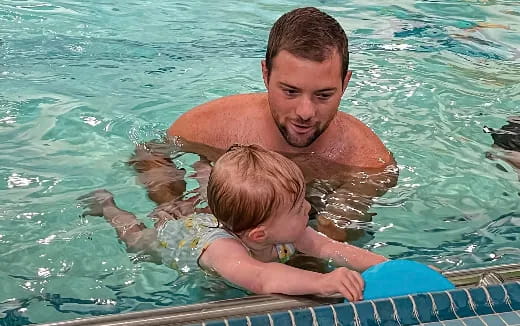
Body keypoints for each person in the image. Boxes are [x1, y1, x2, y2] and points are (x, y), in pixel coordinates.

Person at [130, 7, 398, 242]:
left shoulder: (367, 162)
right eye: (290, 91)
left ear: (346, 84)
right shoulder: (211, 126)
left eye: (323, 95)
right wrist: (172, 203)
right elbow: (150, 153)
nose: (305, 112)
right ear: (265, 74)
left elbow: (333, 242)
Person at [81, 145, 387, 300]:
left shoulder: (283, 228)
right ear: (259, 234)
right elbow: (262, 278)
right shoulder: (225, 254)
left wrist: (384, 266)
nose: (308, 206)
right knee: (135, 237)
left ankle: (204, 170)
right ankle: (107, 207)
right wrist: (322, 283)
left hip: (215, 220)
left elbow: (331, 248)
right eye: (298, 207)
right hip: (178, 239)